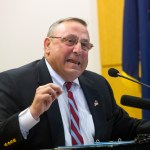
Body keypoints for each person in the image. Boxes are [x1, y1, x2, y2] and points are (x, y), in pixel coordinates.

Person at [0, 17, 150, 150]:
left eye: (85, 45)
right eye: (70, 41)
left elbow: (125, 127)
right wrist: (32, 114)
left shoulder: (98, 84)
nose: (78, 50)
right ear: (47, 45)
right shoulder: (12, 83)